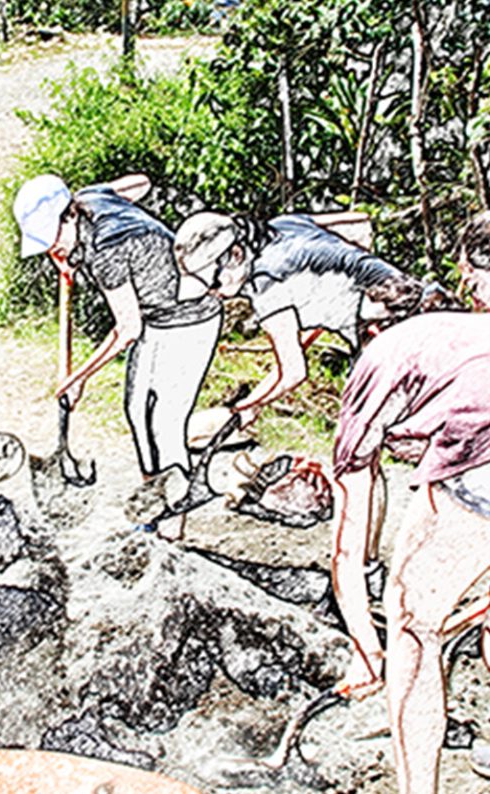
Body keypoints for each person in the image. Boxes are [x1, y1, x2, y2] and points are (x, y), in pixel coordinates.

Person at [330, 307, 490, 794]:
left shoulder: (375, 371)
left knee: (413, 625)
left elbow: (346, 548)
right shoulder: (458, 336)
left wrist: (367, 647)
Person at [13, 174, 223, 540]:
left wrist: (78, 377)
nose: (52, 251)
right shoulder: (90, 198)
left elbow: (128, 329)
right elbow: (142, 183)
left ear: (69, 217)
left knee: (165, 424)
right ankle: (154, 508)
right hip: (158, 316)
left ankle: (171, 535)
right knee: (137, 410)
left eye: (52, 241)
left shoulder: (107, 249)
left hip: (191, 317)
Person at [172, 211, 432, 427]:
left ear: (237, 255)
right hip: (425, 300)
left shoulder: (267, 283)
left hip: (403, 332)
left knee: (360, 442)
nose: (212, 292)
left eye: (212, 281)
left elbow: (293, 373)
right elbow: (359, 224)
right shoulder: (284, 224)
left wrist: (243, 409)